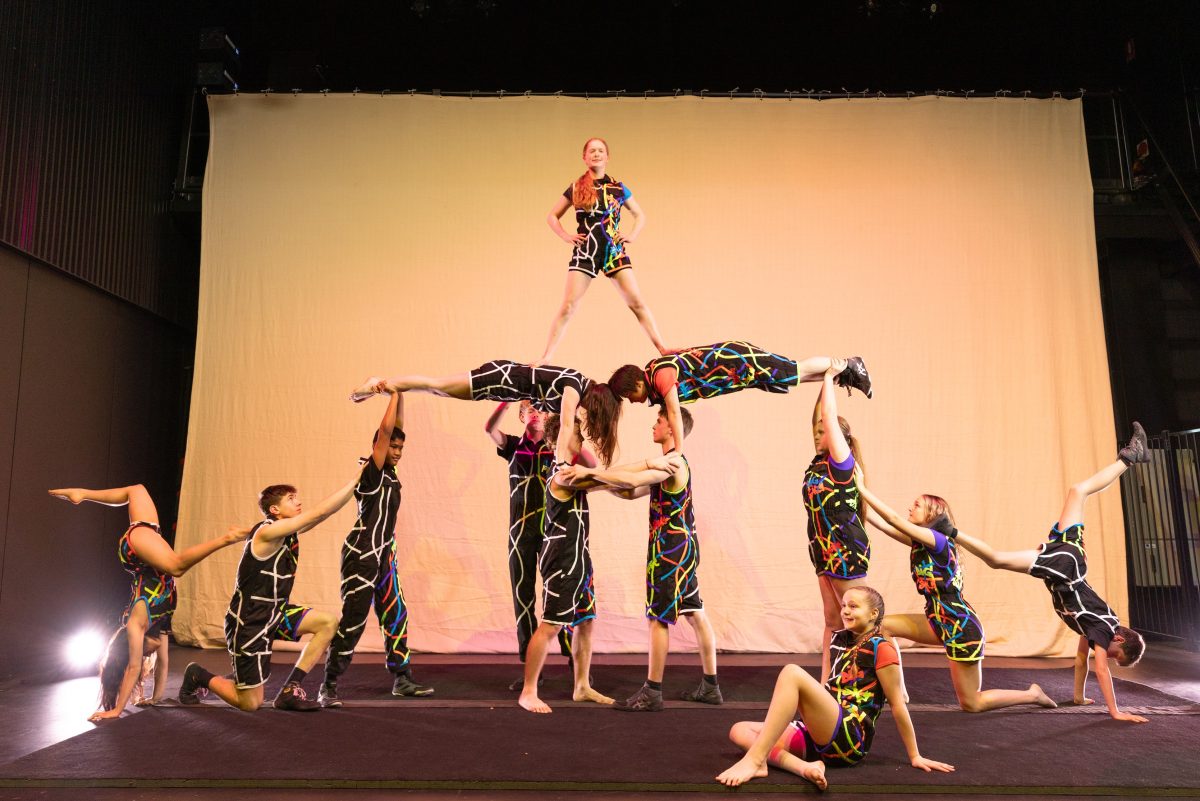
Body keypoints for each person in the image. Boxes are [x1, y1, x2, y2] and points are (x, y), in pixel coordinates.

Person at [952, 423, 1151, 724]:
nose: (1106, 656)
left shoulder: (1096, 627)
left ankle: (1130, 457)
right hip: (1065, 568)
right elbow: (1099, 669)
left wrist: (1078, 697)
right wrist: (1115, 711)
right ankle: (948, 530)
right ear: (1120, 641)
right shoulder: (1104, 630)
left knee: (1078, 491)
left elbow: (1081, 659)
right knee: (996, 560)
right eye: (1113, 655)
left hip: (1072, 558)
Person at [717, 586, 954, 789]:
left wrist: (915, 755)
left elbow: (898, 705)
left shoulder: (881, 648)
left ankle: (756, 760)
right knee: (739, 731)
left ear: (873, 614)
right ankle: (803, 767)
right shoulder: (838, 640)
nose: (846, 611)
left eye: (853, 606)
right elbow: (826, 687)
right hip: (823, 731)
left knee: (792, 672)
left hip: (850, 738)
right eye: (844, 605)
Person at [564, 405, 721, 711]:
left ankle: (653, 691)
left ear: (672, 428)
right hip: (683, 548)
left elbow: (632, 481)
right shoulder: (668, 464)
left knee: (658, 619)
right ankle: (711, 686)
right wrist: (590, 484)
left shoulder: (673, 463)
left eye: (659, 421)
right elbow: (628, 490)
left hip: (670, 551)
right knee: (695, 612)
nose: (654, 425)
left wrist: (591, 472)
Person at [48, 484, 247, 721]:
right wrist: (156, 697)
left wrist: (116, 710)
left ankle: (227, 538)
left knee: (176, 566)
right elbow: (163, 664)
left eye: (146, 654)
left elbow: (133, 668)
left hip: (136, 551)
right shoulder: (160, 621)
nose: (152, 656)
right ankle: (82, 494)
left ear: (140, 647)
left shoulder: (135, 625)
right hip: (149, 540)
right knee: (137, 490)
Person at [858, 485, 1057, 712]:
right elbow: (884, 525)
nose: (910, 508)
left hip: (960, 626)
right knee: (881, 627)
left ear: (933, 513)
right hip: (937, 618)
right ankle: (899, 692)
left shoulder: (937, 539)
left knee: (972, 703)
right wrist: (852, 494)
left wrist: (862, 488)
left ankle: (1032, 695)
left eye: (917, 505)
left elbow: (892, 519)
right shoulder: (921, 541)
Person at [178, 474, 360, 712]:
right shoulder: (266, 532)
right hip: (249, 621)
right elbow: (318, 513)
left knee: (327, 623)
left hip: (275, 613)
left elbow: (319, 516)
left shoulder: (286, 531)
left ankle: (289, 689)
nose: (298, 502)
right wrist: (357, 479)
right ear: (275, 509)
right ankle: (198, 675)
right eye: (291, 499)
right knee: (250, 703)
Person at [319, 389, 431, 707]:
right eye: (391, 447)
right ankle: (328, 684)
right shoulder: (372, 472)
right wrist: (392, 394)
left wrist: (401, 393)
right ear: (379, 449)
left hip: (384, 553)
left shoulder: (391, 474)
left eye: (400, 447)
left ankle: (402, 678)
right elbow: (384, 430)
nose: (396, 451)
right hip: (361, 553)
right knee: (354, 620)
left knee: (396, 614)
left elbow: (396, 427)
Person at [485, 401, 596, 685]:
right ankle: (531, 671)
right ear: (522, 416)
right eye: (530, 410)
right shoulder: (513, 446)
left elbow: (591, 464)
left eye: (542, 410)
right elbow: (489, 428)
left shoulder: (557, 447)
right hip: (520, 533)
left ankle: (575, 661)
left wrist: (565, 434)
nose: (537, 414)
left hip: (552, 533)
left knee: (559, 596)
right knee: (523, 599)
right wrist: (507, 399)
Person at [539, 137, 672, 364]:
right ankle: (547, 356)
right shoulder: (576, 187)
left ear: (607, 157)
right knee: (568, 305)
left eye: (601, 151)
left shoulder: (618, 188)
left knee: (636, 302)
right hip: (587, 251)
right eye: (592, 151)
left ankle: (662, 347)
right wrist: (566, 236)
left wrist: (631, 235)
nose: (596, 154)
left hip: (612, 250)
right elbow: (552, 216)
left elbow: (640, 215)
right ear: (584, 157)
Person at [608, 342, 871, 455]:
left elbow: (675, 414)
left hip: (738, 362)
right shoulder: (655, 374)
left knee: (794, 369)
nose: (632, 402)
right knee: (791, 378)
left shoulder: (660, 377)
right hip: (734, 373)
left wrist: (678, 452)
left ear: (638, 383)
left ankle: (849, 363)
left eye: (630, 395)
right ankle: (845, 374)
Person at [517, 412, 614, 714]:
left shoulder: (571, 467)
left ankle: (581, 685)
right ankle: (528, 691)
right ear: (561, 441)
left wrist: (573, 431)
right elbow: (603, 476)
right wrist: (651, 469)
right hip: (562, 560)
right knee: (550, 626)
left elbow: (595, 465)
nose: (582, 440)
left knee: (585, 622)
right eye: (578, 435)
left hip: (579, 558)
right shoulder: (563, 474)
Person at [349, 361, 621, 467]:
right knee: (437, 386)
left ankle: (382, 385)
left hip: (503, 388)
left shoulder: (575, 385)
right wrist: (561, 464)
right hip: (501, 378)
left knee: (438, 389)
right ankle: (379, 384)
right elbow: (563, 424)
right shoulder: (575, 386)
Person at [803, 362, 870, 682]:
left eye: (823, 432)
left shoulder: (841, 464)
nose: (818, 435)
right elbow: (819, 415)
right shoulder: (818, 463)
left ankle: (886, 679)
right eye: (816, 432)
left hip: (844, 547)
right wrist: (823, 378)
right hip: (822, 549)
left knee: (861, 621)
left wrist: (831, 376)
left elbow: (827, 417)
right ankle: (827, 682)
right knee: (832, 619)